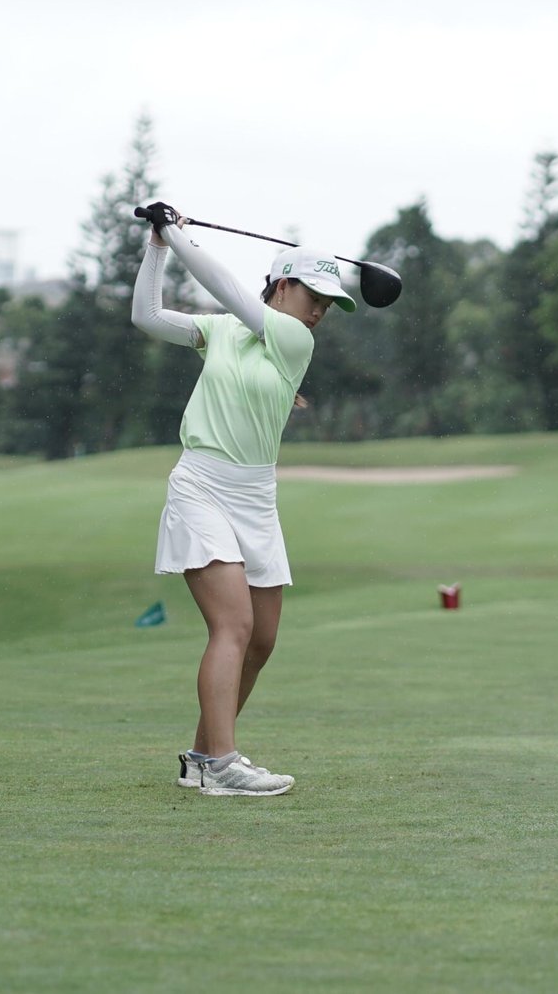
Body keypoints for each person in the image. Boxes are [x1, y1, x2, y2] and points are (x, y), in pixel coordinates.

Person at [130, 202, 355, 797]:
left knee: (261, 640)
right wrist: (159, 245)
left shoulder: (293, 339)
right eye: (314, 296)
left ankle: (203, 756)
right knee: (232, 624)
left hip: (256, 496)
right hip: (201, 485)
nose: (320, 311)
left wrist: (175, 233)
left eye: (328, 304)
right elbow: (147, 316)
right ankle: (223, 764)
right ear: (283, 284)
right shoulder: (224, 331)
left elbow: (227, 288)